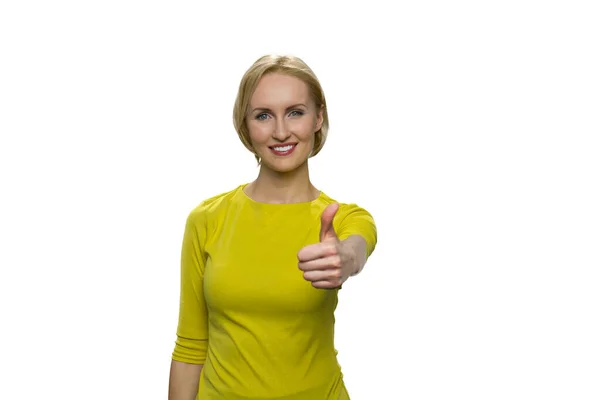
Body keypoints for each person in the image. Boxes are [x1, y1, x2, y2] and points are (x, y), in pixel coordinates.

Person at [168, 54, 378, 400]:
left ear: (318, 118)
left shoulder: (342, 218)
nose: (281, 131)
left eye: (295, 112)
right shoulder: (206, 219)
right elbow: (191, 346)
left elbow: (358, 246)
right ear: (245, 125)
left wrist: (345, 257)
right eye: (263, 115)